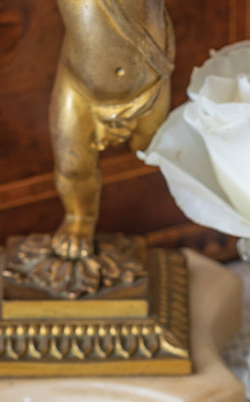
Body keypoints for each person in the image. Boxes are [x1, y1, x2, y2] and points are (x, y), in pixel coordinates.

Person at [50, 0, 174, 259]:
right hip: (80, 90)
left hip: (149, 90)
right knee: (73, 166)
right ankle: (79, 217)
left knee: (154, 149)